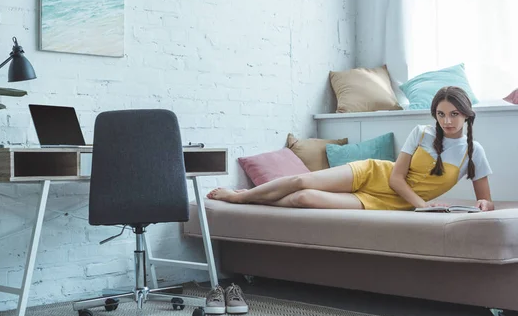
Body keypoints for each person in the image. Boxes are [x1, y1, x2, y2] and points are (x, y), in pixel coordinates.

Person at [207, 86, 495, 211]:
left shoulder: (474, 152)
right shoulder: (421, 133)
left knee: (305, 199)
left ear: (467, 115)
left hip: (388, 203)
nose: (447, 120)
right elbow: (395, 178)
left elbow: (486, 200)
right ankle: (241, 197)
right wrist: (423, 207)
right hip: (372, 174)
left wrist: (483, 205)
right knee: (300, 180)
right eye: (441, 114)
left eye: (454, 114)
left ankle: (256, 198)